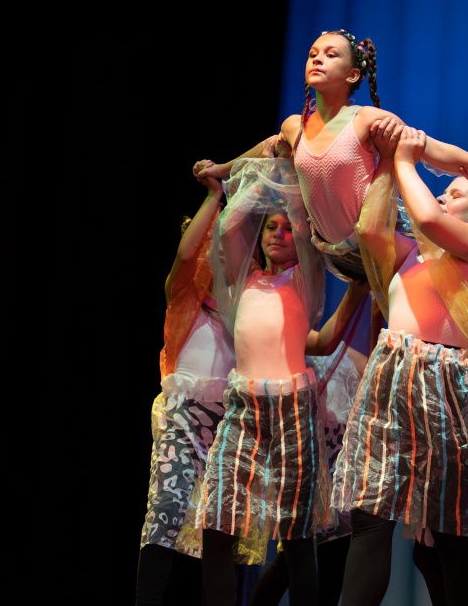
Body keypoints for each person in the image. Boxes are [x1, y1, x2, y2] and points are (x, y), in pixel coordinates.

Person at [196, 27, 468, 316]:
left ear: (353, 74)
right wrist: (221, 169)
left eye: (330, 55)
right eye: (313, 54)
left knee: (418, 313)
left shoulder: (368, 120)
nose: (317, 58)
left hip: (385, 241)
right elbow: (265, 150)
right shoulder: (296, 126)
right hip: (335, 253)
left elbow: (434, 150)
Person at [333, 123, 468, 606]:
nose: (442, 197)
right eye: (443, 191)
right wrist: (387, 163)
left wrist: (407, 158)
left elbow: (427, 217)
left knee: (450, 531)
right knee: (371, 516)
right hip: (393, 378)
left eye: (455, 193)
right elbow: (370, 229)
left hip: (446, 387)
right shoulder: (414, 255)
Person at [196, 155, 371, 606]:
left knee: (296, 534)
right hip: (243, 408)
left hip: (292, 409)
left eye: (287, 229)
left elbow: (303, 222)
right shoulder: (245, 281)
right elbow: (229, 225)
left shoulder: (303, 281)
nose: (279, 233)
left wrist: (291, 166)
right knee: (217, 523)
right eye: (271, 227)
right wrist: (261, 177)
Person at [135, 167, 235, 605]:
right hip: (183, 417)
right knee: (165, 513)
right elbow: (185, 253)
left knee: (219, 530)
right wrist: (214, 197)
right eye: (210, 246)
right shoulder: (184, 298)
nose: (213, 256)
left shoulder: (244, 307)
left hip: (229, 424)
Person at [249, 341, 370, 606]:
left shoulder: (342, 353)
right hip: (306, 464)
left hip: (337, 468)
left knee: (331, 556)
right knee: (293, 558)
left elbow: (371, 375)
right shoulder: (291, 350)